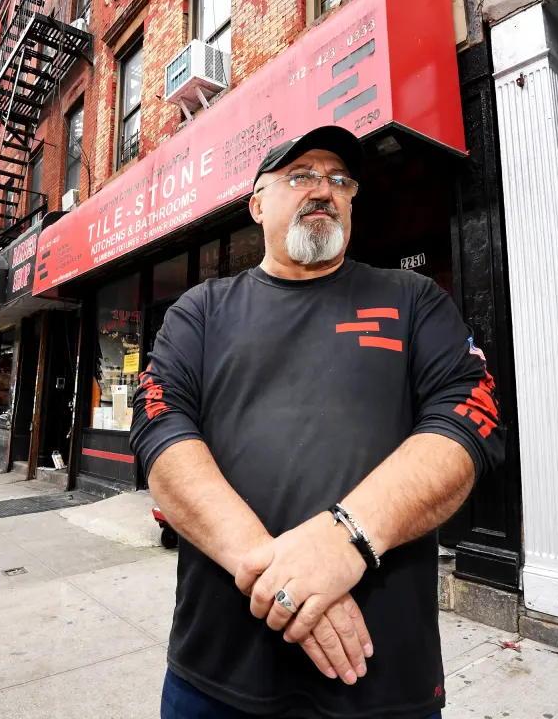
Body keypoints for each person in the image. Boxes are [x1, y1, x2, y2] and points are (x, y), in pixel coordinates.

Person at [131, 126, 505, 719]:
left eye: (338, 180)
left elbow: (469, 417)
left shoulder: (413, 300)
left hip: (380, 680)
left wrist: (346, 538)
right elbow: (160, 431)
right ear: (257, 204)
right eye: (300, 175)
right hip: (215, 676)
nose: (322, 190)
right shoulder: (199, 311)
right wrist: (289, 575)